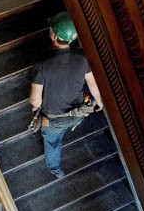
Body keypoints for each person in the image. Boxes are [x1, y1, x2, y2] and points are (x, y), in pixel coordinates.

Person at [29, 11, 104, 178]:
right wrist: (99, 102)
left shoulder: (42, 63)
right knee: (68, 122)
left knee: (53, 144)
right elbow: (93, 85)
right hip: (79, 114)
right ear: (71, 39)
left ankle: (56, 171)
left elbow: (35, 99)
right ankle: (71, 126)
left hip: (54, 121)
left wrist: (35, 111)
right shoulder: (82, 59)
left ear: (54, 36)